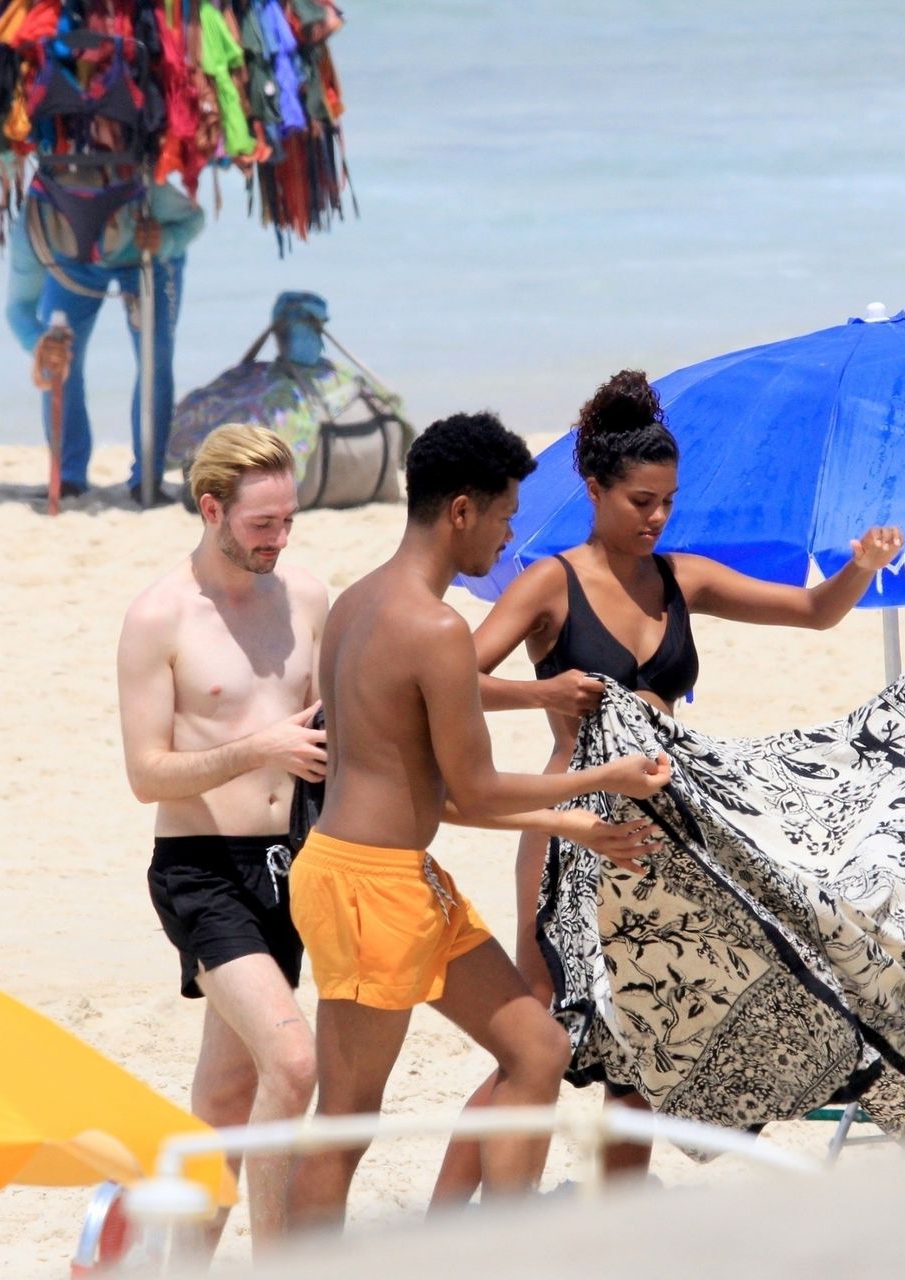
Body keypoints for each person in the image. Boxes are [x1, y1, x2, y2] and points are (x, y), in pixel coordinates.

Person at [432, 369, 905, 1201]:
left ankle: (620, 1225)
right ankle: (447, 1222)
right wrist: (542, 692)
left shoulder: (682, 577)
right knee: (538, 1027)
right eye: (640, 501)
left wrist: (859, 567)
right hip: (568, 818)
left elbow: (813, 612)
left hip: (666, 825)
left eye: (667, 502)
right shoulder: (552, 581)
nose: (655, 518)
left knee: (650, 1026)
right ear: (594, 489)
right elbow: (452, 675)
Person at [282, 412, 674, 1232]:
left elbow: (441, 799)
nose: (508, 536)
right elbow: (479, 785)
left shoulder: (357, 604)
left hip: (400, 874)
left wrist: (576, 825)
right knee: (347, 1119)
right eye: (503, 516)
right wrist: (602, 781)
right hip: (367, 885)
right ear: (461, 511)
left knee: (537, 1049)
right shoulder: (434, 629)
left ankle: (502, 1248)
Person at [116, 424, 328, 1252]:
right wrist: (261, 748)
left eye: (288, 521)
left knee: (227, 1095)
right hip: (200, 869)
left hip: (291, 862)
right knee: (294, 1064)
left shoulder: (306, 595)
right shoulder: (159, 617)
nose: (278, 540)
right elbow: (146, 775)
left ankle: (183, 1264)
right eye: (262, 525)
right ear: (212, 510)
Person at [10, 177, 205, 505]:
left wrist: (165, 240)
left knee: (155, 360)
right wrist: (39, 345)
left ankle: (147, 478)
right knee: (58, 360)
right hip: (70, 266)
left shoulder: (143, 190)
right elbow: (18, 309)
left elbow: (194, 219)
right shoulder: (37, 224)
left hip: (149, 256)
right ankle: (69, 475)